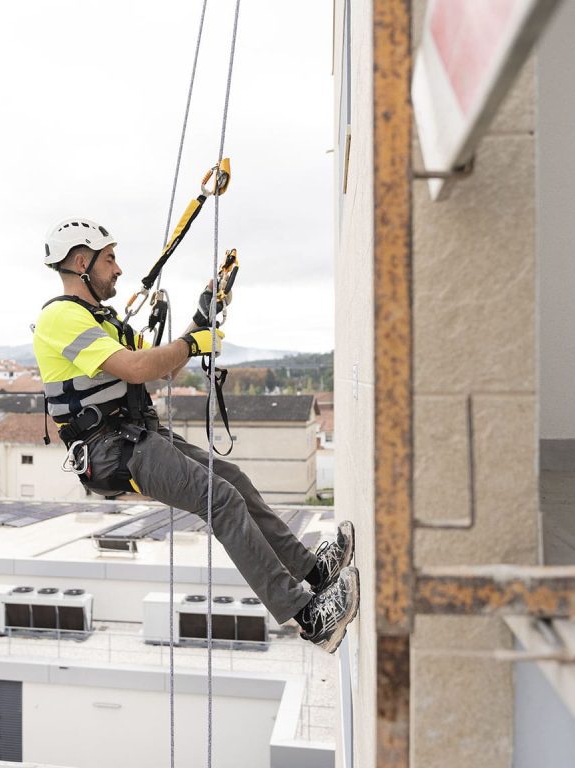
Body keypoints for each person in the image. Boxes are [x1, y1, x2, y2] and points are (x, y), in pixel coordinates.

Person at [32, 216, 360, 653]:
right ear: (80, 262)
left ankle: (315, 574)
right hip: (110, 448)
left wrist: (199, 320)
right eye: (109, 259)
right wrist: (192, 343)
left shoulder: (98, 318)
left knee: (234, 482)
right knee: (219, 500)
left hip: (134, 436)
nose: (118, 269)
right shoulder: (60, 316)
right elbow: (135, 367)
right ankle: (309, 617)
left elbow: (162, 366)